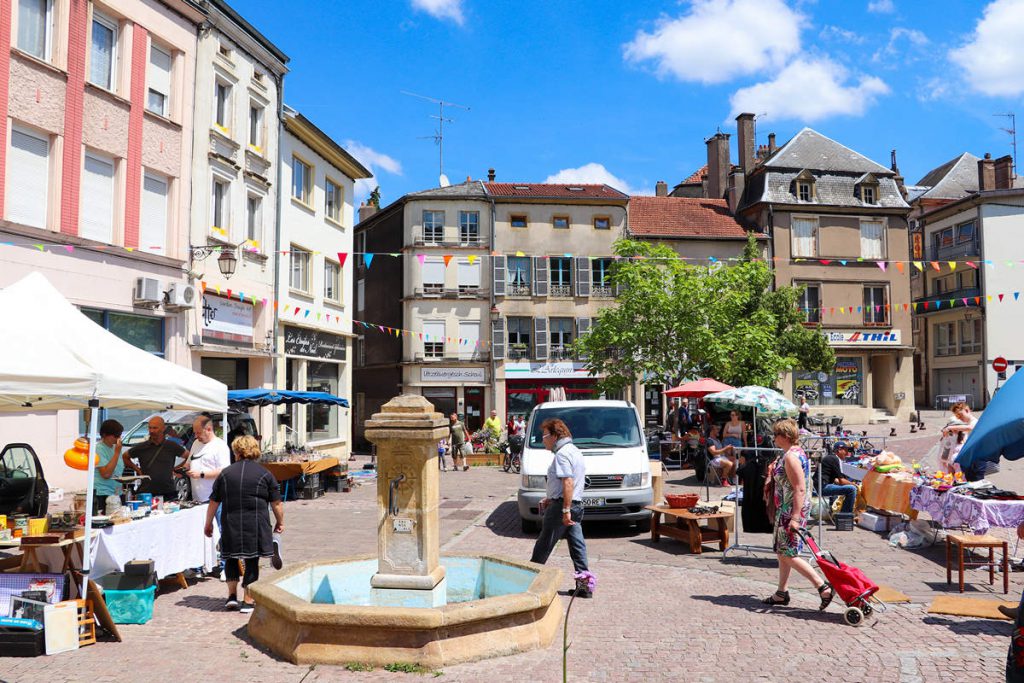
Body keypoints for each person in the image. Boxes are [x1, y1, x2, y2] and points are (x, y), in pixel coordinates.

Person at [205, 435, 284, 613]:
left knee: (231, 557)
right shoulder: (265, 474)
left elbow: (213, 502)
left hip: (230, 521)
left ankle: (231, 597)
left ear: (236, 451)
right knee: (252, 560)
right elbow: (276, 503)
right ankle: (248, 600)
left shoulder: (225, 474)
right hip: (255, 522)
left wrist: (208, 523)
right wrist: (280, 522)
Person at [762, 418, 834, 609]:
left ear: (784, 436)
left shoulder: (791, 457)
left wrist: (794, 517)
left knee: (788, 554)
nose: (773, 438)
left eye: (775, 434)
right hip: (788, 508)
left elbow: (799, 488)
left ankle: (822, 586)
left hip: (791, 509)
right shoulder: (793, 453)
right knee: (783, 552)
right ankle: (781, 592)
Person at [529, 418, 592, 597]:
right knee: (577, 546)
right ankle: (584, 586)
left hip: (563, 508)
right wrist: (551, 498)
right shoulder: (574, 451)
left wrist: (564, 509)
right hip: (576, 505)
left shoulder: (562, 454)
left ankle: (529, 584)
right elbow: (566, 483)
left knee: (543, 545)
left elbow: (568, 481)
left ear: (556, 436)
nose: (543, 439)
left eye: (545, 435)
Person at [123, 416, 187, 499]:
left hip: (168, 491)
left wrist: (177, 469)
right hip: (146, 492)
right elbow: (124, 457)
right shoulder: (142, 447)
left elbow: (189, 457)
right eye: (150, 428)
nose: (151, 431)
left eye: (155, 428)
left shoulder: (172, 446)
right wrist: (138, 470)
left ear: (163, 428)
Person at [185, 416, 232, 504]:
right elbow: (188, 463)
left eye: (198, 433)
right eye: (194, 433)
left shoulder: (220, 446)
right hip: (196, 499)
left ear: (209, 429)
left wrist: (201, 474)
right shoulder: (196, 443)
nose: (196, 436)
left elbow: (224, 471)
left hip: (214, 499)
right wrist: (181, 470)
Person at [93, 419, 125, 515]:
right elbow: (106, 474)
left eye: (120, 435)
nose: (118, 438)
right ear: (105, 435)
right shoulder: (98, 449)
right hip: (103, 493)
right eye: (116, 435)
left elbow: (118, 471)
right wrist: (116, 453)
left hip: (117, 492)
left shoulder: (116, 448)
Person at [819, 447, 858, 520]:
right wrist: (854, 484)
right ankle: (845, 517)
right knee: (852, 489)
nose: (847, 453)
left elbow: (836, 480)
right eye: (845, 450)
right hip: (822, 487)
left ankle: (837, 513)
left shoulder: (831, 458)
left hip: (820, 485)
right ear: (839, 450)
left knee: (846, 487)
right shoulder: (835, 459)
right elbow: (841, 481)